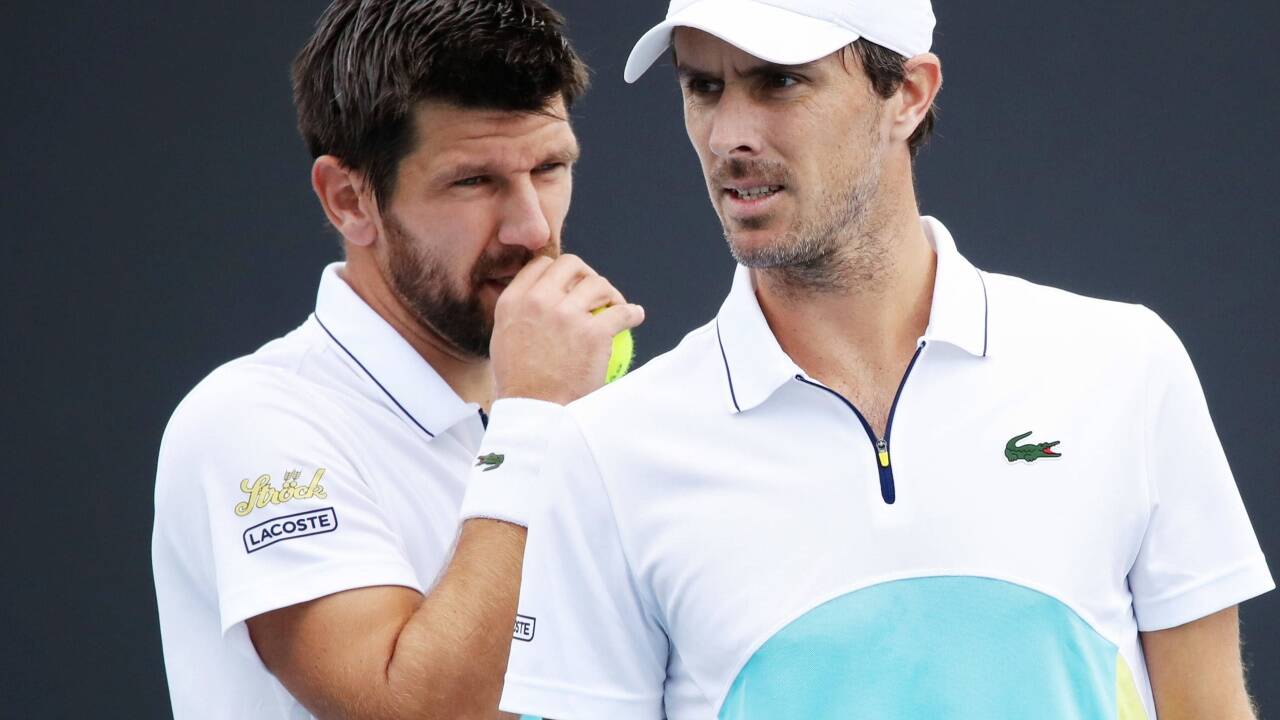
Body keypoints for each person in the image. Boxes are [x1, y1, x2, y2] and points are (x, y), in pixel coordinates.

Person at [479, 1, 1275, 718]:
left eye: (780, 81)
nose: (728, 137)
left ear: (909, 94)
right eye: (705, 88)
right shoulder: (608, 449)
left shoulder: (1126, 365)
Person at [150, 1, 643, 717]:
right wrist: (535, 418)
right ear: (349, 200)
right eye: (473, 181)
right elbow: (418, 709)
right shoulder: (251, 421)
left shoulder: (582, 413)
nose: (532, 227)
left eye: (549, 167)